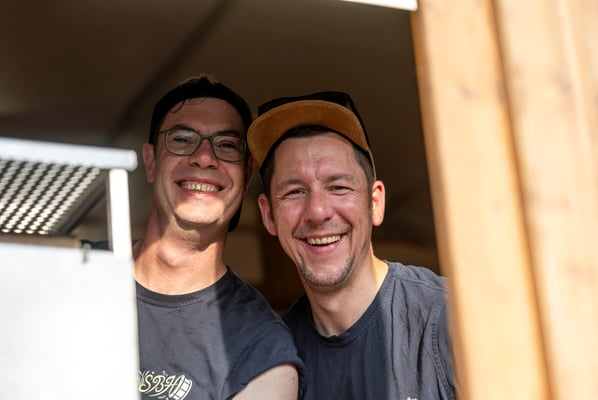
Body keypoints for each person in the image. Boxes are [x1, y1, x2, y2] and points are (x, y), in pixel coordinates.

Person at [90, 75, 304, 399]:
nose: (204, 157)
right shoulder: (75, 271)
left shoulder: (262, 351)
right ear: (151, 162)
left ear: (247, 175)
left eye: (227, 145)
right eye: (182, 139)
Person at [246, 91, 457, 400]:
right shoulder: (272, 360)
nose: (318, 212)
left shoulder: (448, 317)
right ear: (268, 215)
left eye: (338, 187)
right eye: (294, 192)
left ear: (375, 203)